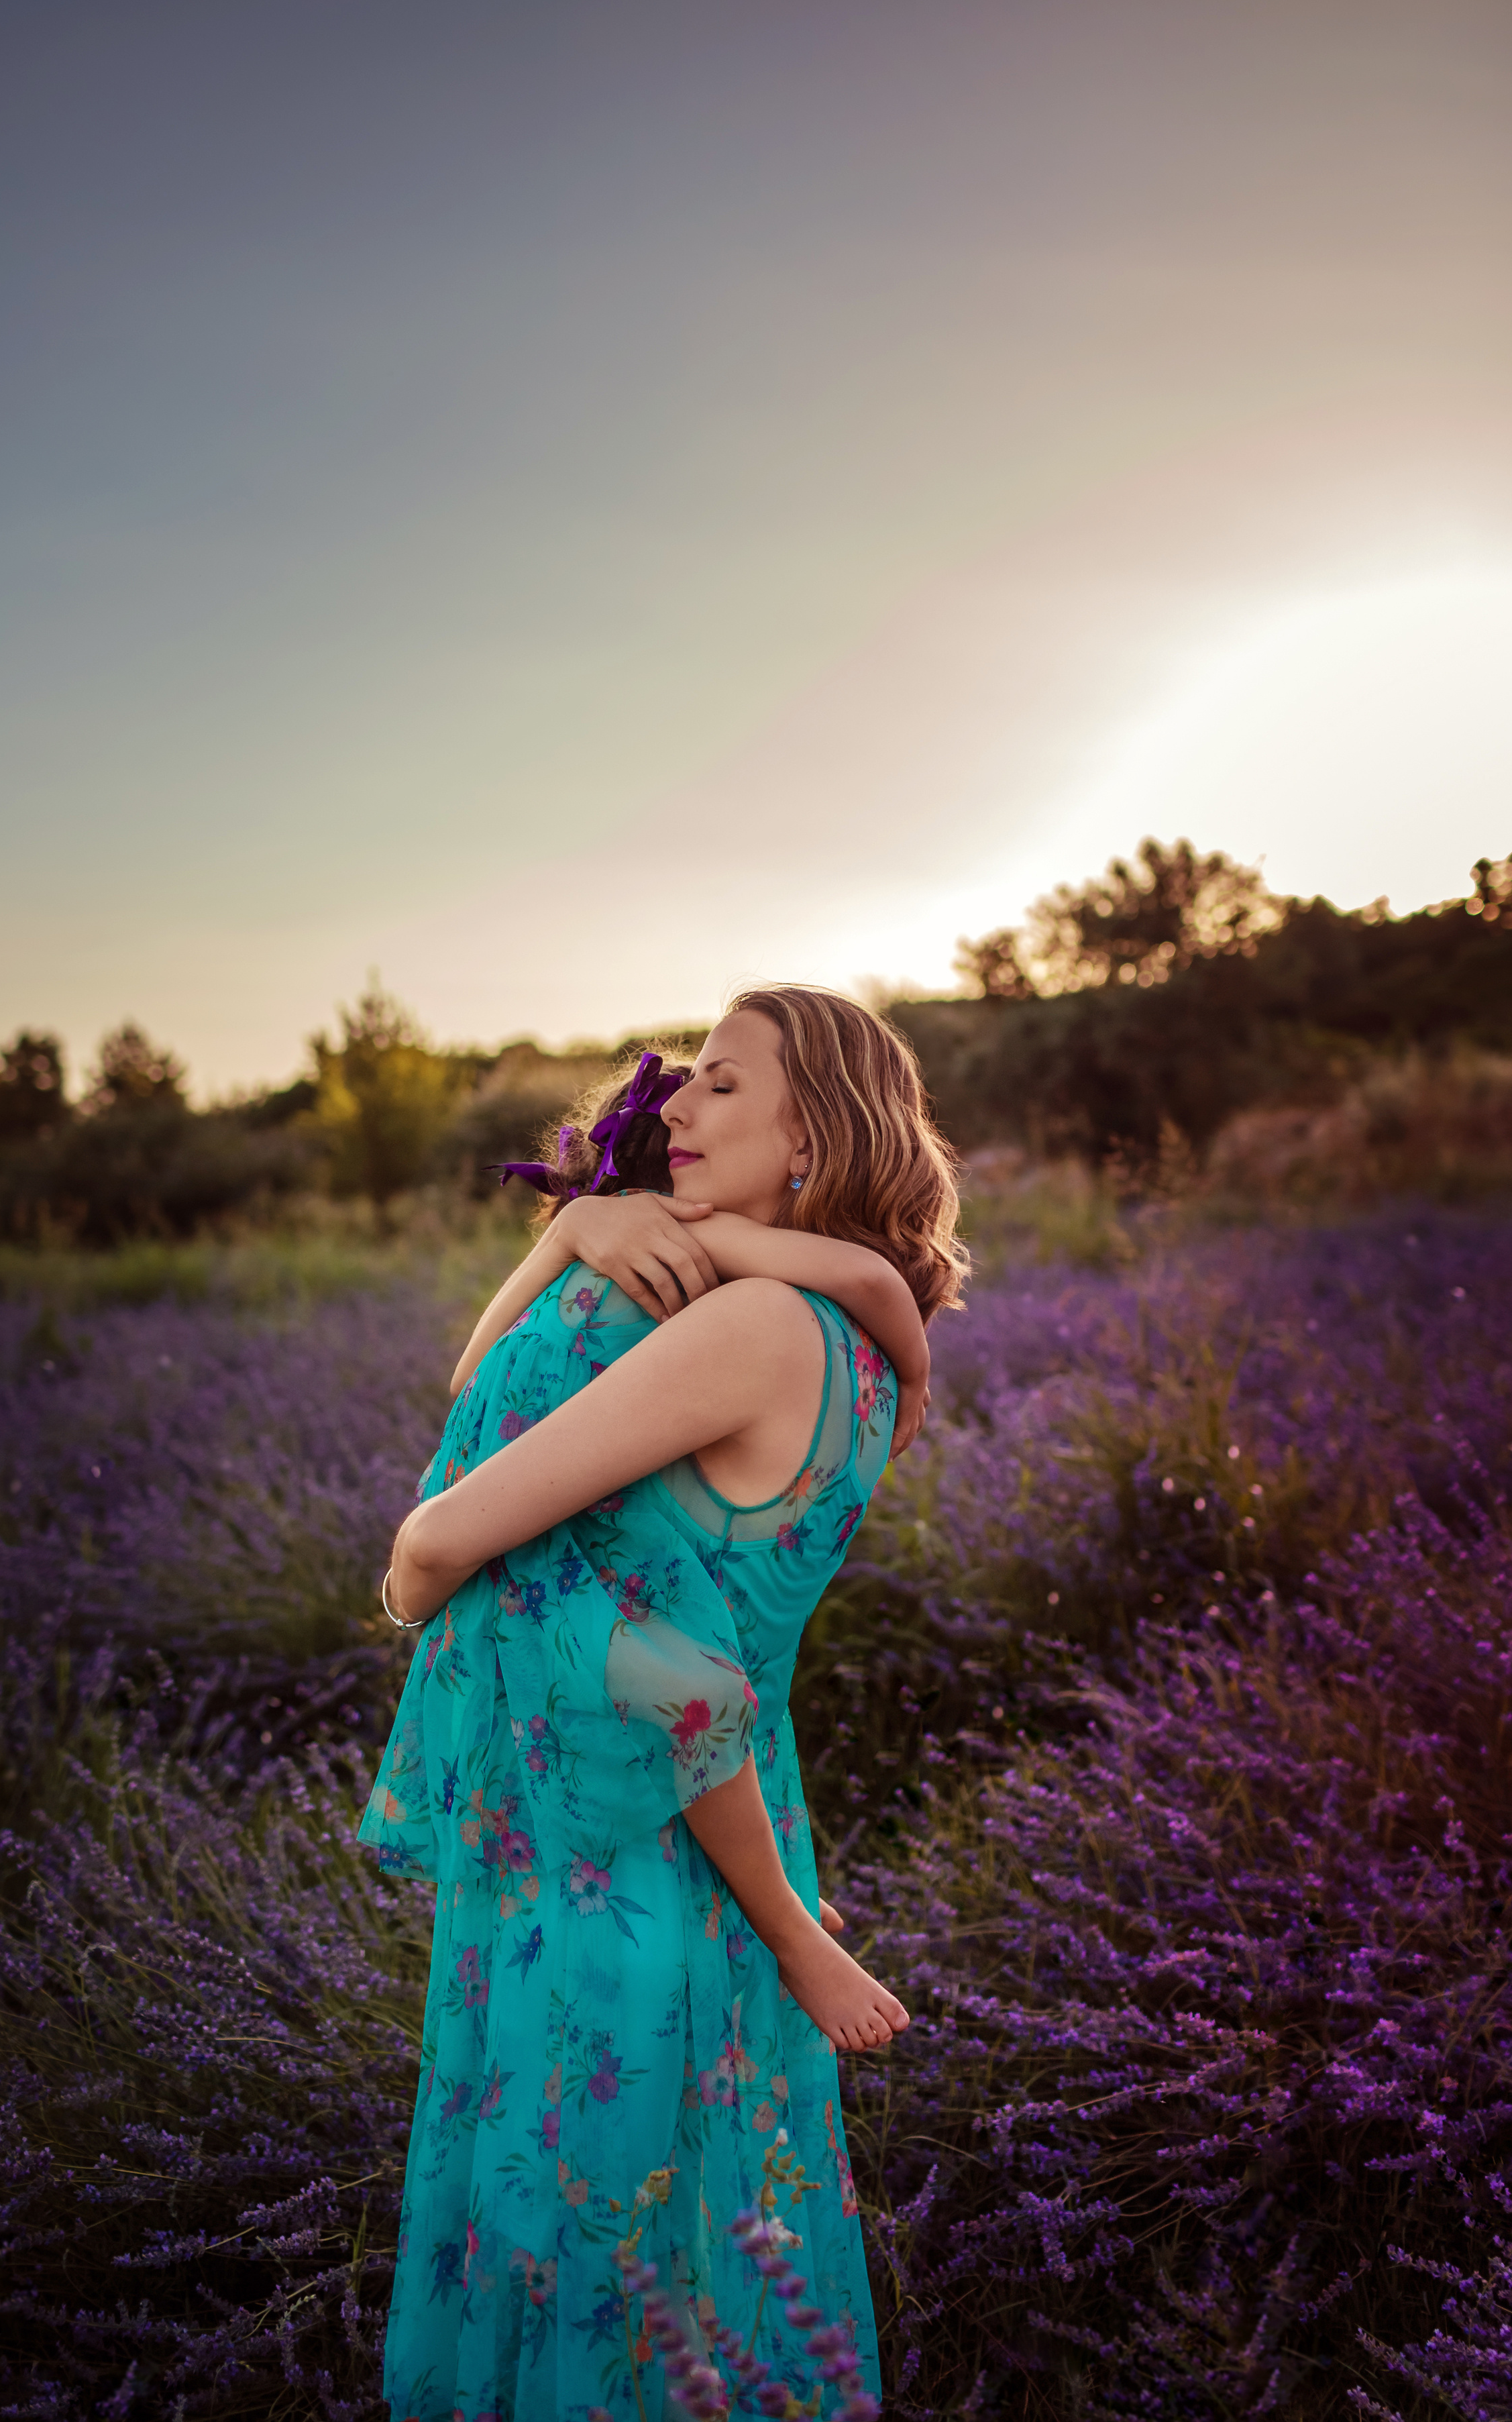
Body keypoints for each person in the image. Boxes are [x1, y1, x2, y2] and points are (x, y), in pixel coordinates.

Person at [362, 988, 966, 2422]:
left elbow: (454, 1524)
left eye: (720, 1087)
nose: (673, 1111)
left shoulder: (751, 1322)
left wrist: (405, 1575)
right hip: (692, 1821)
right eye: (680, 1086)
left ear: (813, 1130)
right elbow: (493, 1390)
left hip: (617, 1850)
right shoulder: (844, 1331)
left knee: (597, 2267)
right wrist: (574, 1228)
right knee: (696, 2261)